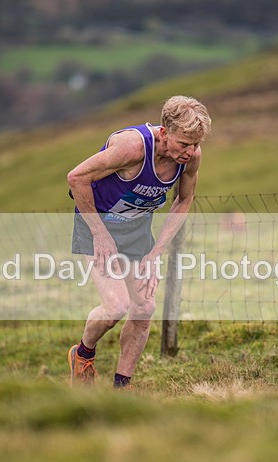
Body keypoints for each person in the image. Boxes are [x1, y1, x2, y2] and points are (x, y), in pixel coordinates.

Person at [67, 95, 211, 388]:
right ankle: (82, 355)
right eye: (183, 144)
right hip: (96, 225)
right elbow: (76, 178)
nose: (190, 151)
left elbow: (184, 201)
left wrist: (156, 252)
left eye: (195, 144)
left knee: (144, 308)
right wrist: (100, 234)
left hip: (137, 232)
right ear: (164, 132)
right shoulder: (131, 148)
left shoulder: (192, 158)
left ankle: (122, 385)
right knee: (116, 307)